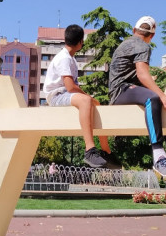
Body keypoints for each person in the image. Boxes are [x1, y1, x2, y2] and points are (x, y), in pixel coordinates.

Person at [108, 16, 166, 177]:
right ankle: (159, 156)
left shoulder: (125, 43)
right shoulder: (142, 46)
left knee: (162, 103)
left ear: (134, 30)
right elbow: (142, 74)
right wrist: (161, 94)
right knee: (154, 98)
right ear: (152, 36)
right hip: (121, 91)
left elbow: (132, 74)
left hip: (121, 90)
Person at [44, 24, 119, 169]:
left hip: (65, 94)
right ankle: (89, 150)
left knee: (95, 104)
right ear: (80, 42)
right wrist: (87, 97)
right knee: (86, 100)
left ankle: (106, 151)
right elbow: (70, 87)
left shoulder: (69, 58)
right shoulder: (64, 58)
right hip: (56, 96)